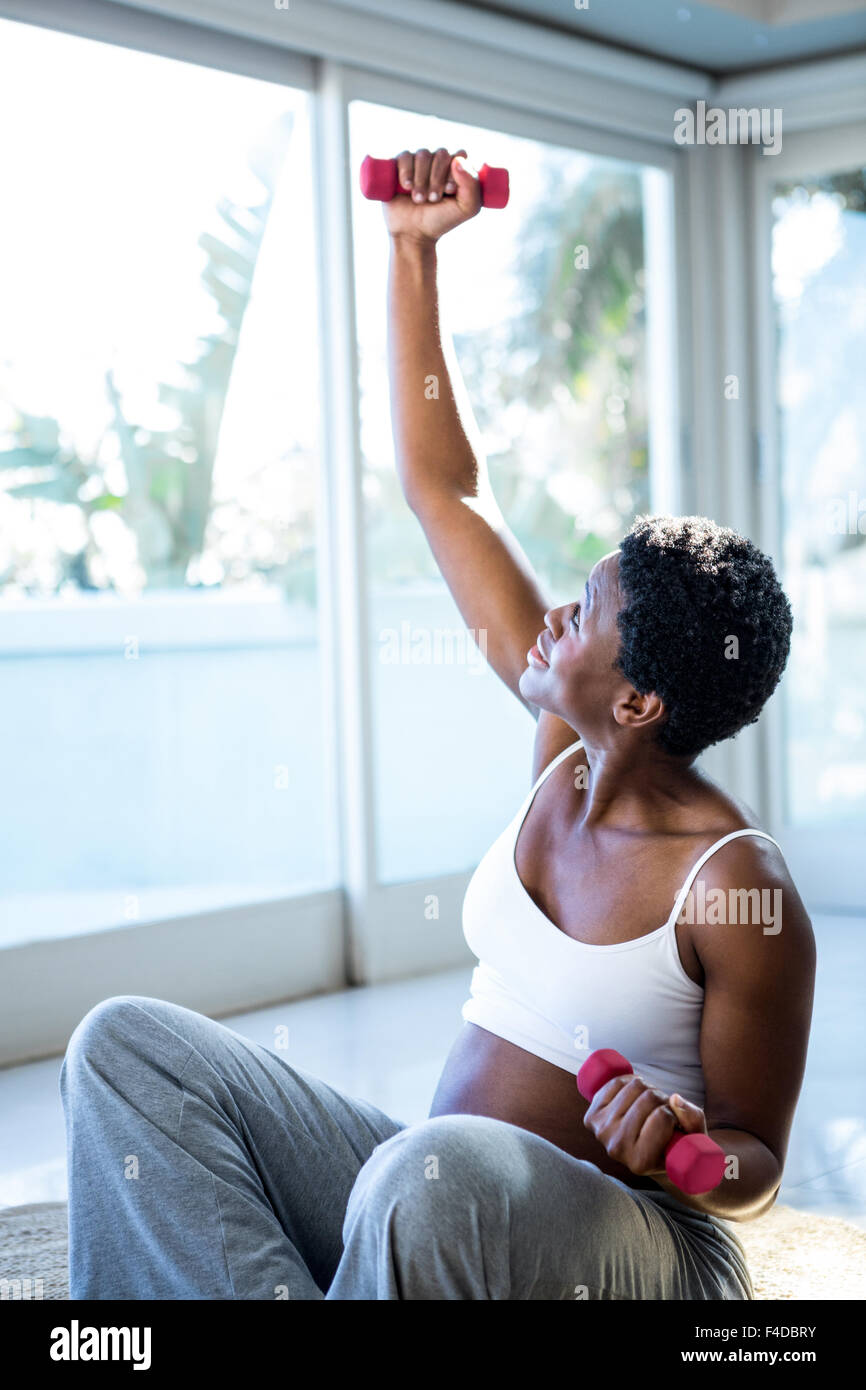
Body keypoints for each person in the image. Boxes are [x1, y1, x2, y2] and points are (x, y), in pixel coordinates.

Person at [61, 148, 815, 1301]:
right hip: (422, 1202)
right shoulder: (564, 744)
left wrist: (681, 1143)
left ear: (638, 700)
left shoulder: (733, 890)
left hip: (636, 1252)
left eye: (591, 606)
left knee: (429, 1175)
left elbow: (754, 1167)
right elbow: (447, 492)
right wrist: (412, 250)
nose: (557, 608)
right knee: (125, 1051)